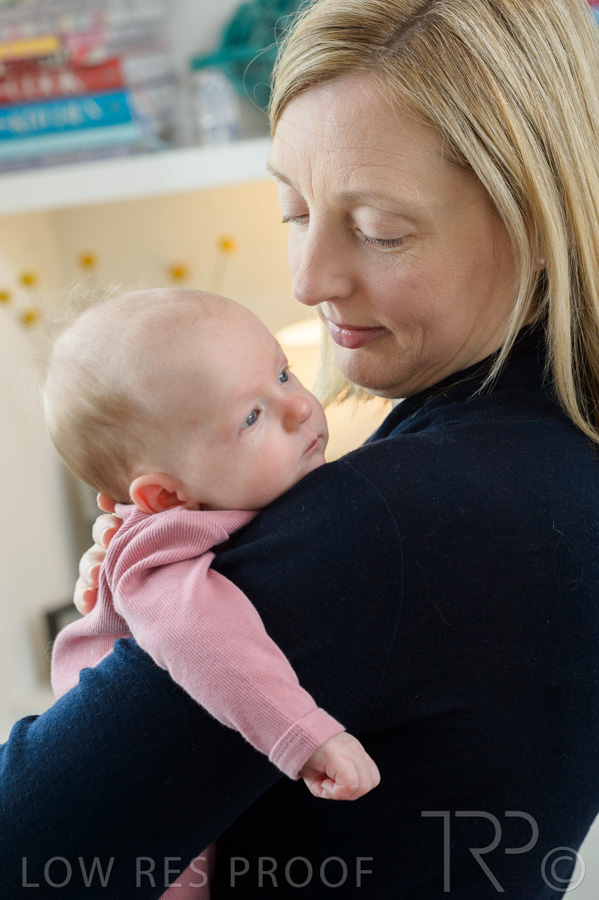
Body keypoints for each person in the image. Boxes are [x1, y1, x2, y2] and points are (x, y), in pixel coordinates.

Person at [2, 0, 599, 896]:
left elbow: (24, 849)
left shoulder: (384, 522)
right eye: (292, 210)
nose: (308, 279)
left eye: (379, 229)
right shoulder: (560, 451)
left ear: (539, 224)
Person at [44, 286, 380, 898]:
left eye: (283, 373)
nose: (299, 407)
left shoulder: (222, 498)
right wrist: (308, 736)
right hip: (124, 783)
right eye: (251, 417)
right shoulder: (163, 554)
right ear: (167, 497)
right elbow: (210, 643)